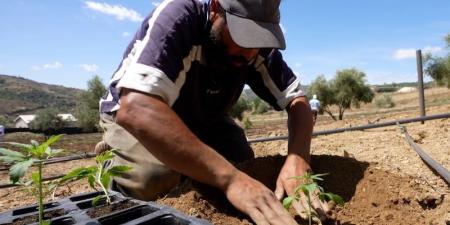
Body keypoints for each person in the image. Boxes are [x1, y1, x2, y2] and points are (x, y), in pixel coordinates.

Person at [96, 0, 330, 224]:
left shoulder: (257, 50)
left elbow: (298, 101)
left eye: (257, 39)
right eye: (244, 36)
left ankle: (187, 167)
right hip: (142, 116)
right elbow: (137, 107)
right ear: (216, 8)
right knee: (153, 178)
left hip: (203, 119)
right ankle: (114, 158)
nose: (249, 52)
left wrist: (298, 159)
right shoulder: (180, 17)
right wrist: (231, 180)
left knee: (243, 160)